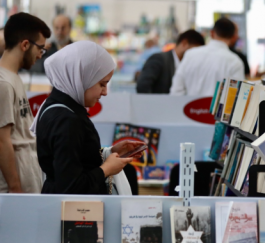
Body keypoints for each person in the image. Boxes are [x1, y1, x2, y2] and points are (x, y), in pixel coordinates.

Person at [33, 41, 145, 195]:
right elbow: (70, 187)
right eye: (102, 84)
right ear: (82, 78)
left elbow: (73, 156)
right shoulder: (66, 120)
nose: (105, 92)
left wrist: (109, 152)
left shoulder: (59, 106)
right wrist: (106, 169)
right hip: (74, 214)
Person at [0, 13, 50, 193]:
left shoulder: (14, 78)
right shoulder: (3, 83)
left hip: (26, 185)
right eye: (40, 49)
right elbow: (2, 140)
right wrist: (15, 187)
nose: (40, 55)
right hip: (13, 192)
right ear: (25, 45)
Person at [170, 18, 245, 96]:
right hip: (219, 108)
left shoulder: (190, 54)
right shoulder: (235, 62)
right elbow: (236, 96)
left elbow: (176, 90)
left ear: (212, 33)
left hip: (189, 107)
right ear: (233, 37)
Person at [136, 29, 205, 94]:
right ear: (184, 43)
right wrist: (154, 104)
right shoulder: (159, 59)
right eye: (196, 50)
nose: (197, 54)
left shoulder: (187, 65)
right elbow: (142, 86)